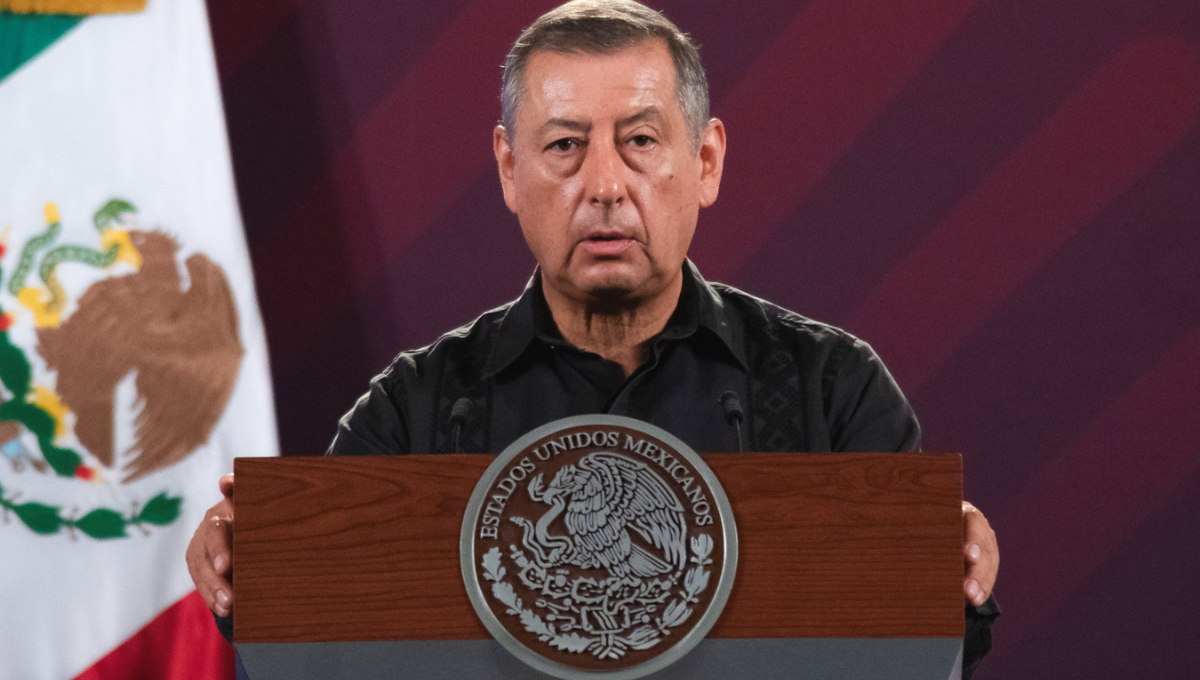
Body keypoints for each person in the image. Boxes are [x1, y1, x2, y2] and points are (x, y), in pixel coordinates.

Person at [186, 0, 1000, 674]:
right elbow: (323, 646)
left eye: (640, 141)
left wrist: (948, 568)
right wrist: (253, 566)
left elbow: (923, 648)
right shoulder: (417, 408)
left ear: (706, 161)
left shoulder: (831, 386)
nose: (605, 184)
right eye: (565, 146)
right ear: (510, 168)